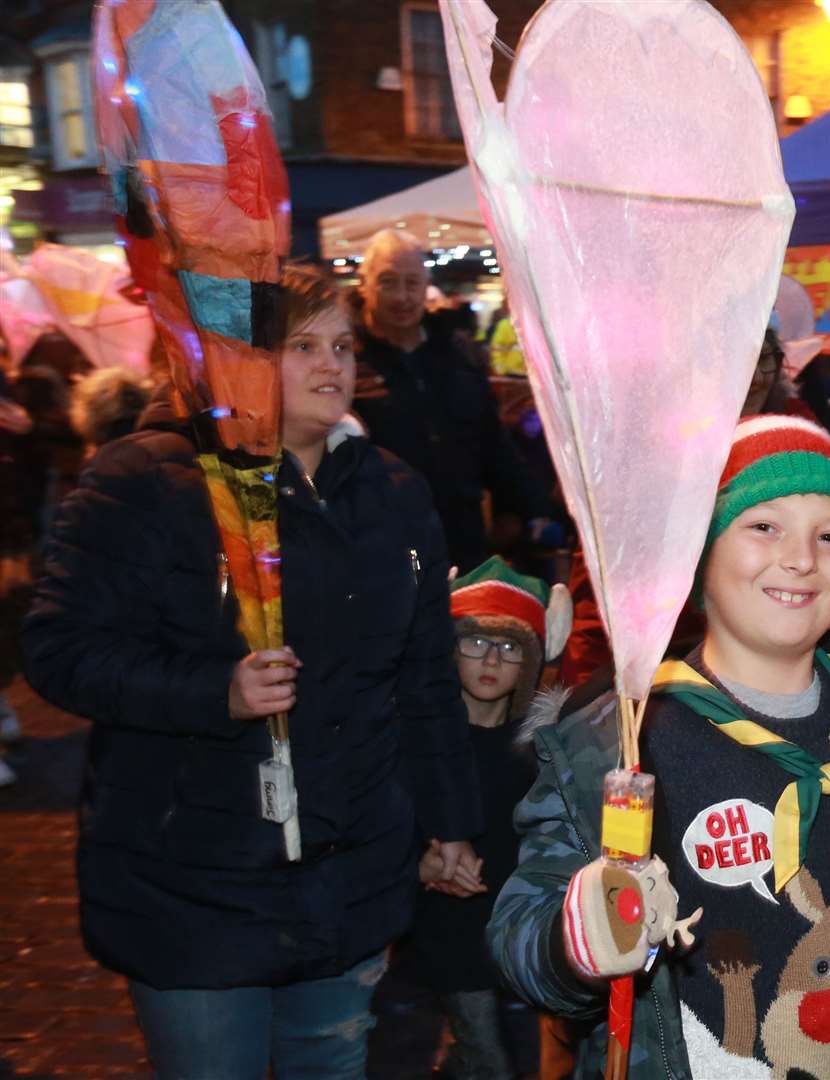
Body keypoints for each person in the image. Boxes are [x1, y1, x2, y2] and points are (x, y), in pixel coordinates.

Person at [22, 265, 485, 1078]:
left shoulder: (393, 492)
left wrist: (448, 821)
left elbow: (423, 680)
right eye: (300, 345)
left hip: (348, 871)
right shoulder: (144, 481)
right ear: (234, 358)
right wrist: (214, 691)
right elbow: (60, 653)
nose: (331, 364)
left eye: (341, 344)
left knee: (330, 1061)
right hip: (194, 880)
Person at [488, 415, 830, 1078]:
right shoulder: (621, 737)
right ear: (700, 554)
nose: (800, 558)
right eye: (763, 525)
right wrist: (574, 941)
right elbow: (520, 926)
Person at [404, 557, 567, 1080]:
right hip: (450, 934)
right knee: (491, 1059)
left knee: (506, 1055)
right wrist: (420, 865)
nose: (490, 658)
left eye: (511, 646)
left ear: (533, 659)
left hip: (520, 934)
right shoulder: (422, 744)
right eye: (473, 641)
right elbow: (382, 824)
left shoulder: (541, 749)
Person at [351, 229, 542, 572]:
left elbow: (492, 441)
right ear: (364, 285)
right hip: (378, 547)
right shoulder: (346, 362)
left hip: (462, 540)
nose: (402, 296)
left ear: (426, 287)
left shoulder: (457, 356)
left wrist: (519, 510)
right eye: (388, 282)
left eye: (412, 283)